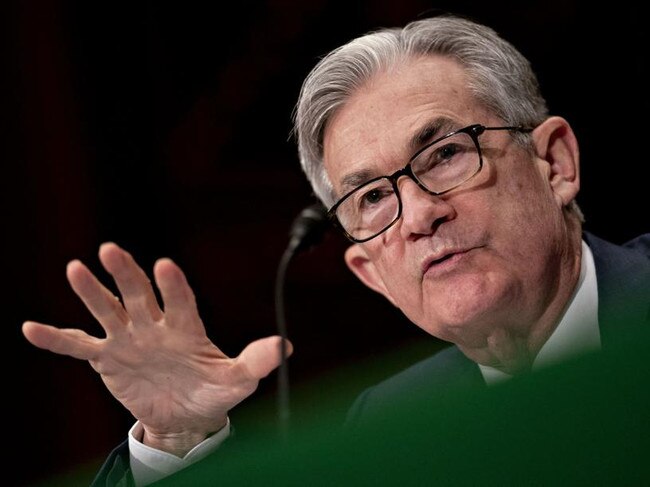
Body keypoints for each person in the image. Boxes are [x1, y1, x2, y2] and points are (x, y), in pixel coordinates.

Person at [22, 13, 649, 487]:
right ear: (369, 270)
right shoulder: (385, 423)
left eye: (447, 154)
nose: (420, 215)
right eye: (373, 197)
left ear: (555, 162)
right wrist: (181, 438)